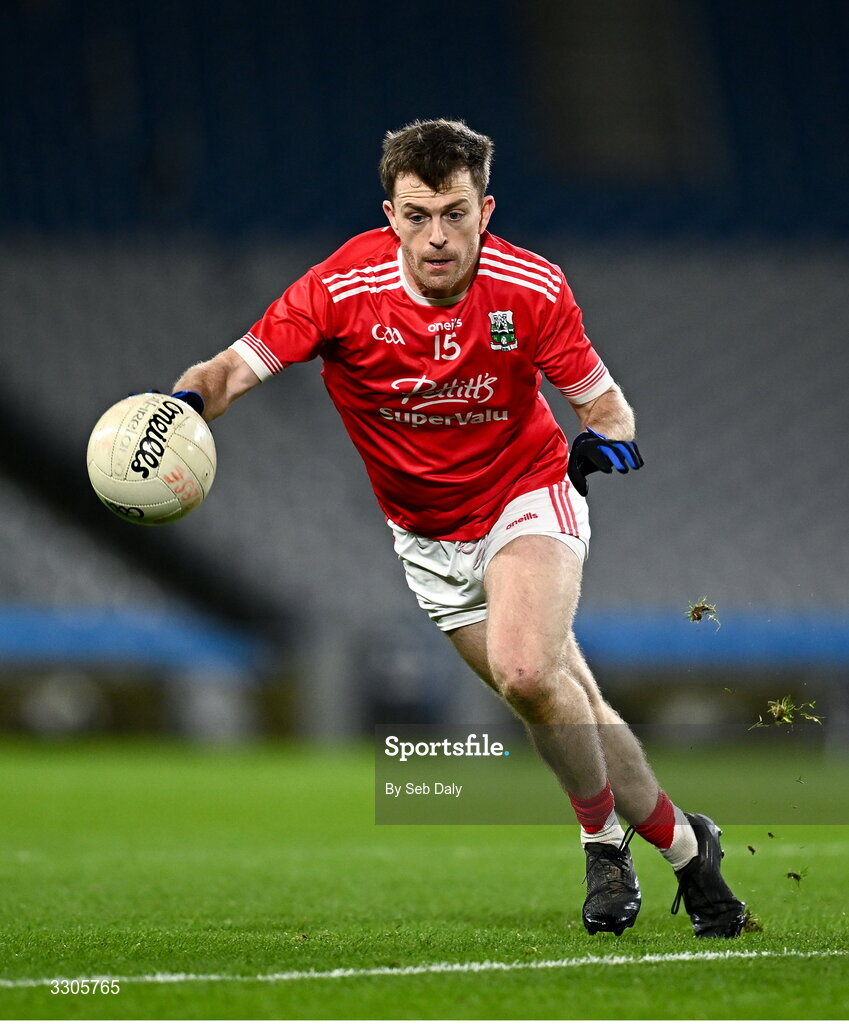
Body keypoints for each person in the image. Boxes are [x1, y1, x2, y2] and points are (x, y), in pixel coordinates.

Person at [169, 119, 746, 938]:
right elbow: (228, 371)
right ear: (388, 212)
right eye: (416, 215)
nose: (436, 237)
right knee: (562, 699)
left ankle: (601, 847)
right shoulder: (339, 289)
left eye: (454, 213)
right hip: (427, 538)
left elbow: (605, 405)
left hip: (528, 492)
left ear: (486, 208)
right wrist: (179, 409)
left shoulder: (531, 289)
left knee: (522, 670)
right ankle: (690, 849)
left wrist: (606, 443)